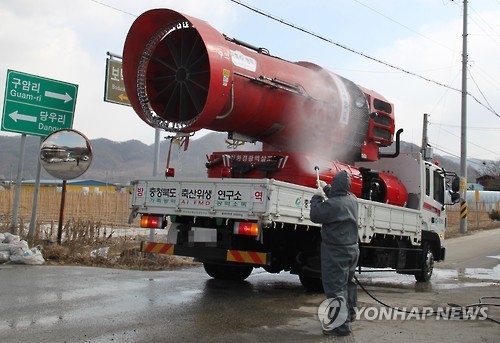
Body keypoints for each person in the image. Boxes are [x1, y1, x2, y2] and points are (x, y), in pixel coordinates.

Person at [310, 170, 359, 336]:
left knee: (335, 288)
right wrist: (326, 188)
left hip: (335, 251)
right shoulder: (352, 199)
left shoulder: (333, 205)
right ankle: (350, 313)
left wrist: (316, 197)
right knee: (348, 283)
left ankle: (341, 327)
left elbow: (316, 214)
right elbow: (338, 196)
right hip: (352, 250)